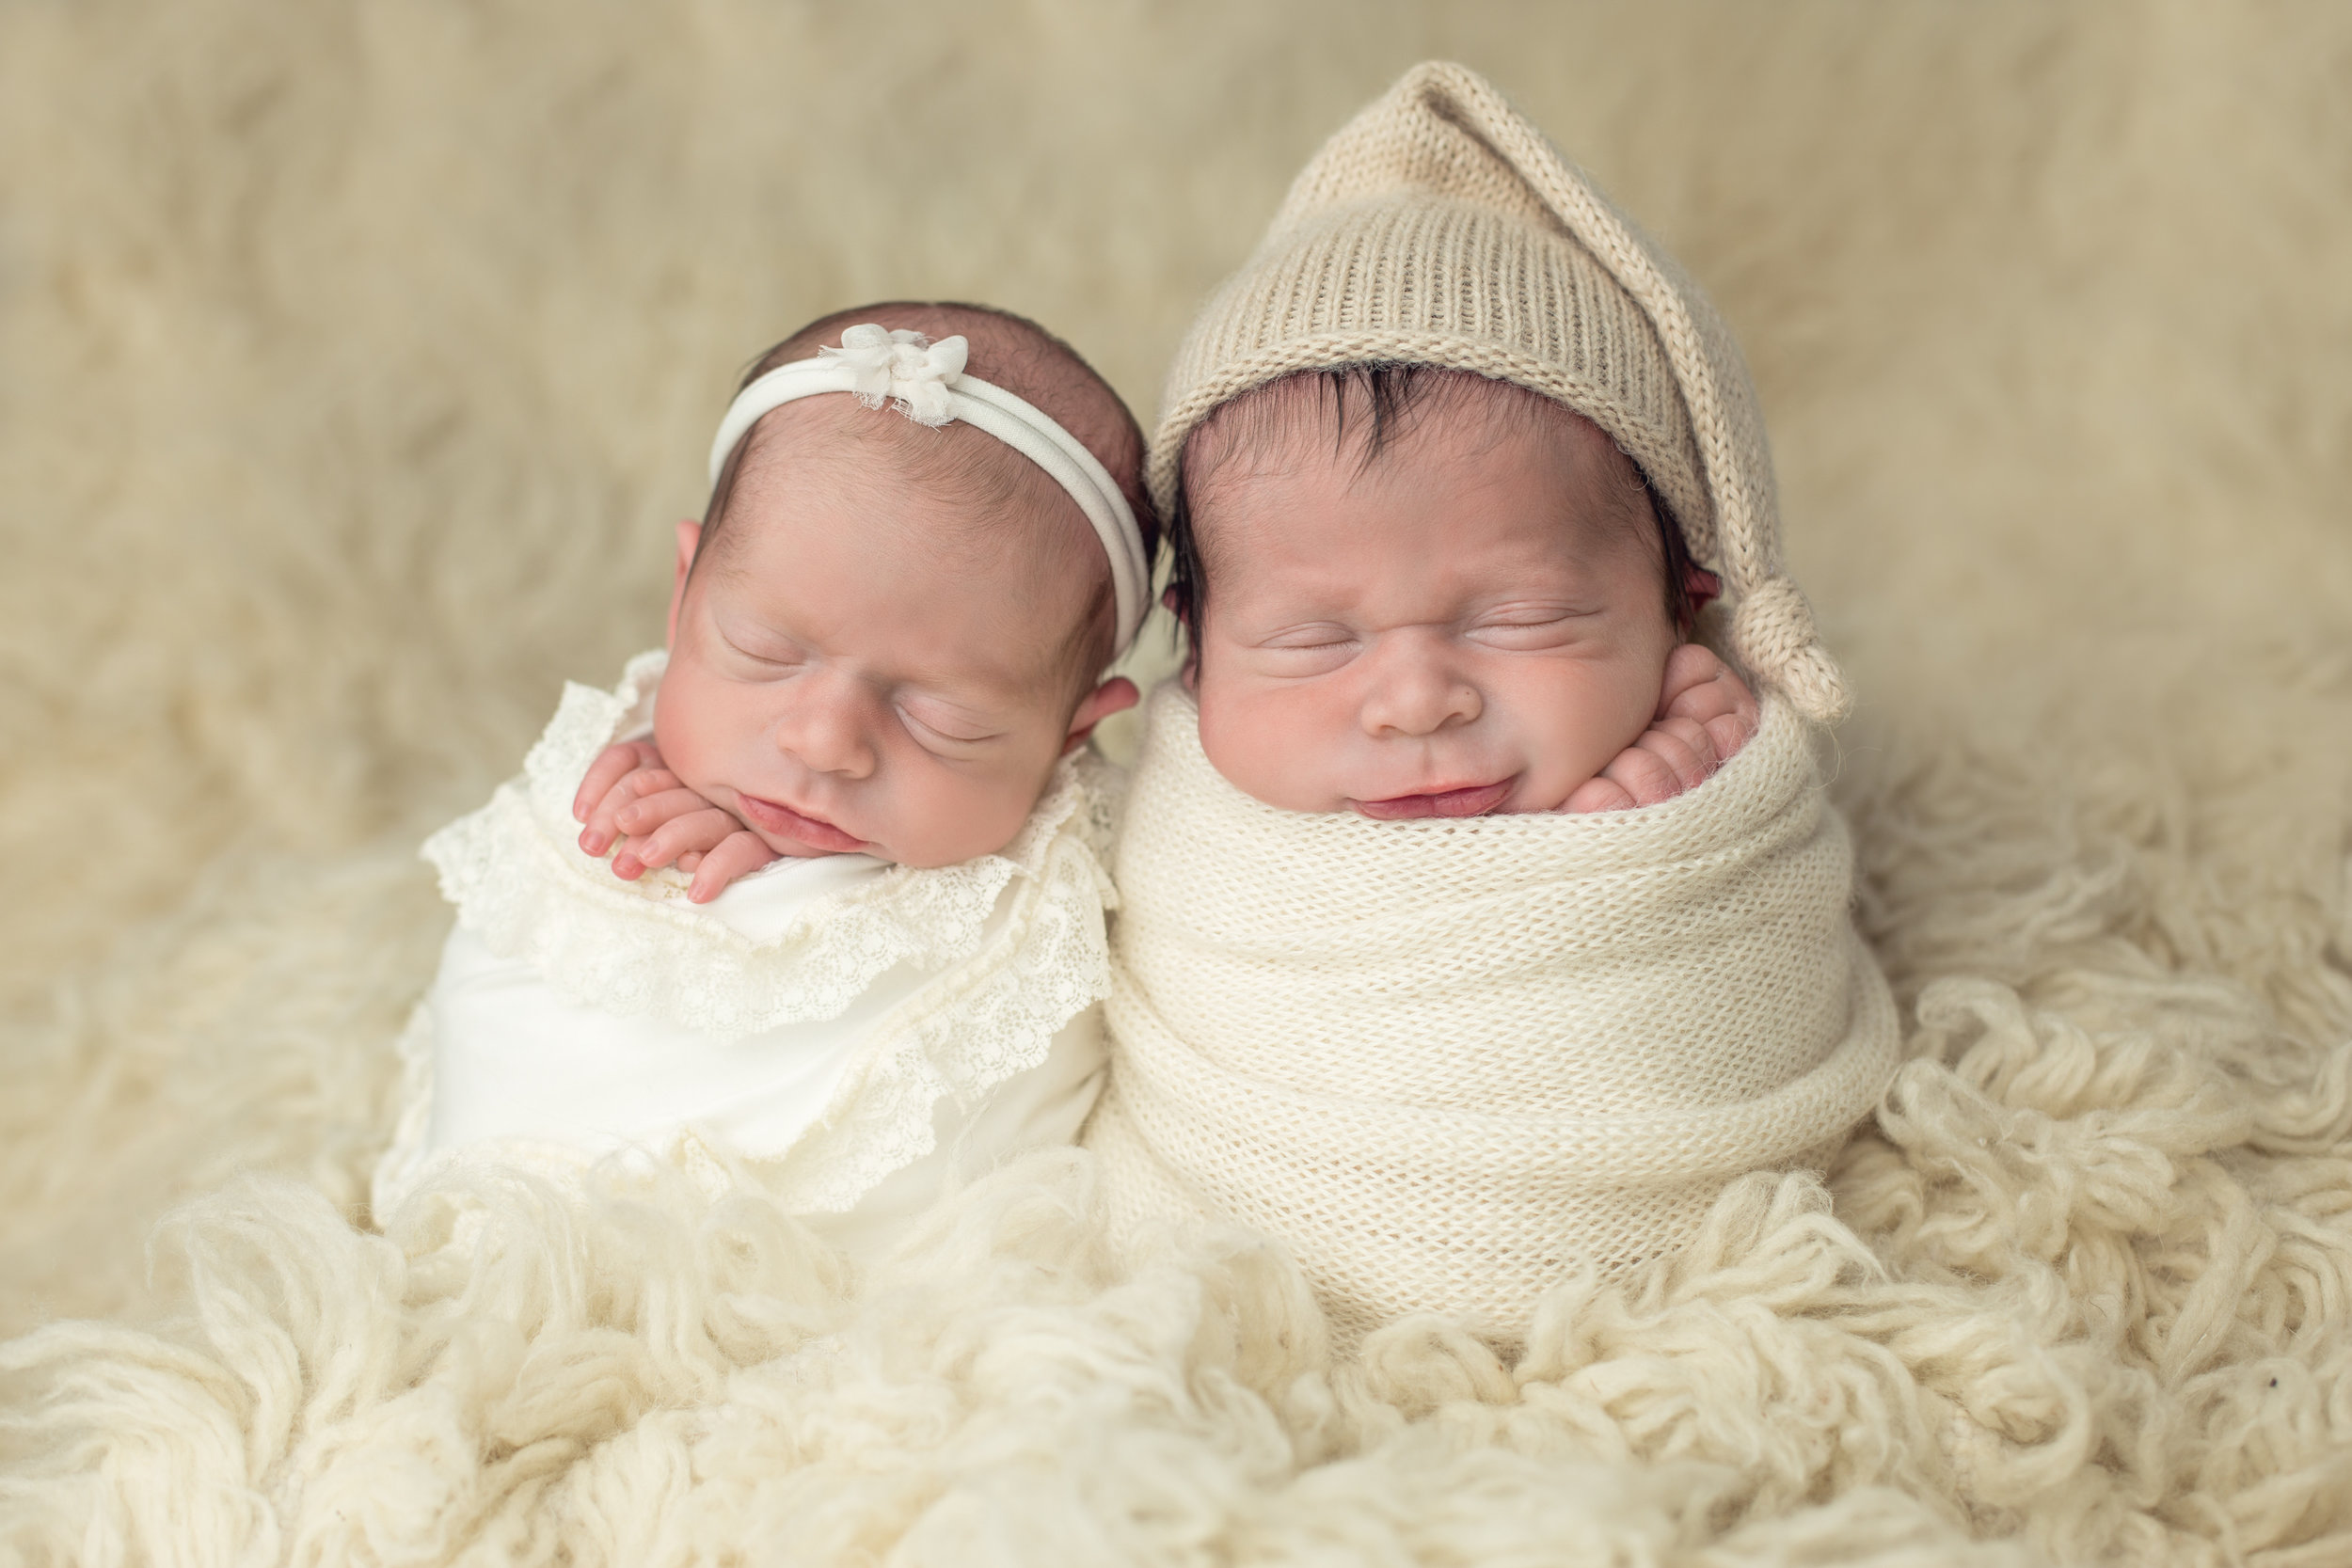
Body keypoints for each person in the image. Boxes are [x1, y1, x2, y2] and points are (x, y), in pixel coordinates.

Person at [1081, 62, 1900, 1346]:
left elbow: (1731, 991)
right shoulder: (1171, 845)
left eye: (1520, 617)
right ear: (1191, 644)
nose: (1414, 697)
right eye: (1308, 638)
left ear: (1686, 596)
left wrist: (1655, 838)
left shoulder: (1704, 763)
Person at [372, 303, 1157, 1254]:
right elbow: (520, 982)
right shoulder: (617, 775)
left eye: (942, 715)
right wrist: (665, 868)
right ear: (685, 592)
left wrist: (795, 887)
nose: (825, 740)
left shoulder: (1092, 871)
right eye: (764, 648)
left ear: (1074, 730)